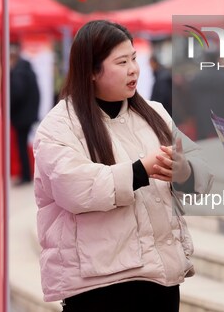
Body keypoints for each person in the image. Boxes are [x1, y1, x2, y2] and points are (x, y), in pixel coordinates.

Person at [33, 20, 213, 312]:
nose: (134, 69)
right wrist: (141, 169)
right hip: (99, 287)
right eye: (121, 62)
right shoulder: (59, 125)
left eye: (133, 58)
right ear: (91, 71)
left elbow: (202, 170)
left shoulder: (154, 113)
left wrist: (184, 172)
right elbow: (74, 188)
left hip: (161, 280)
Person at [10, 44, 40, 184]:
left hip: (21, 116)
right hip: (29, 115)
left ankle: (25, 175)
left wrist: (11, 109)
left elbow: (16, 94)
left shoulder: (18, 72)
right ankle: (27, 174)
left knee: (21, 146)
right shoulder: (29, 70)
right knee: (25, 145)